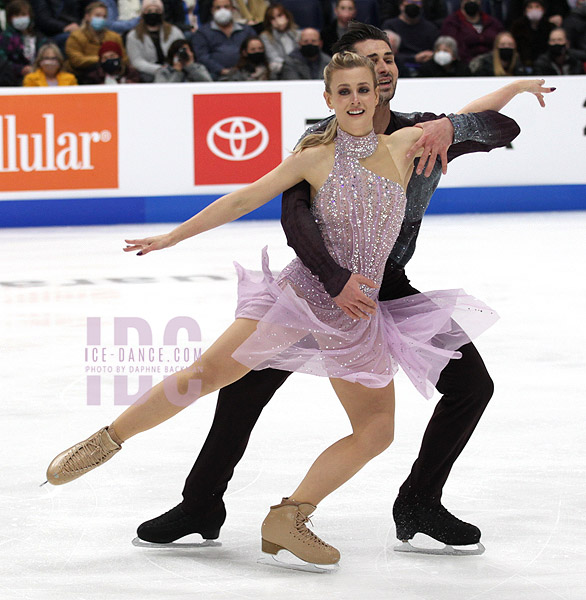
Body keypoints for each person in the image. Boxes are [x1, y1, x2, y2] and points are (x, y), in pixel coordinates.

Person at [123, 23, 548, 559]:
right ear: (344, 78)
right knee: (242, 387)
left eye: (387, 58)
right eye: (369, 61)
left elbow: (499, 125)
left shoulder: (422, 131)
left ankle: (419, 502)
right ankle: (201, 503)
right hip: (319, 285)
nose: (382, 67)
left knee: (472, 385)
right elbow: (294, 219)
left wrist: (461, 117)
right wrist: (333, 280)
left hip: (390, 287)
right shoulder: (320, 143)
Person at [191, 0, 256, 80]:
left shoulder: (246, 30)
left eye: (226, 7)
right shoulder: (202, 33)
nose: (222, 11)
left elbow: (255, 51)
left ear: (233, 9)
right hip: (215, 76)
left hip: (246, 74)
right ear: (212, 10)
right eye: (218, 8)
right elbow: (202, 56)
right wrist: (221, 70)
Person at [65, 1, 127, 84]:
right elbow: (76, 60)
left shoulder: (114, 37)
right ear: (87, 17)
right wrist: (103, 59)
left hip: (111, 75)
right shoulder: (75, 36)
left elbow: (124, 59)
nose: (101, 19)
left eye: (104, 16)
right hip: (82, 77)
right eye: (97, 15)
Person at [126, 0, 185, 82]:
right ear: (143, 13)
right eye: (149, 11)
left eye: (157, 11)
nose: (153, 13)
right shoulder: (133, 35)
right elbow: (136, 61)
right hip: (148, 73)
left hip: (173, 69)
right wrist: (158, 69)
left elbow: (181, 50)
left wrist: (174, 66)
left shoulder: (174, 31)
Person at [382, 0, 440, 74]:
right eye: (410, 2)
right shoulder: (390, 25)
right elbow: (387, 54)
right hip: (398, 67)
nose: (413, 5)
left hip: (426, 68)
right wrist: (414, 58)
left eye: (417, 3)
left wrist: (430, 55)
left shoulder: (431, 28)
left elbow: (436, 51)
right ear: (401, 5)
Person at [0, 0, 47, 86]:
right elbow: (2, 61)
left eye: (23, 15)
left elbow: (47, 56)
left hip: (39, 78)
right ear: (10, 18)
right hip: (13, 81)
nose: (20, 18)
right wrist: (21, 69)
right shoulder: (4, 37)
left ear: (30, 16)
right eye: (16, 15)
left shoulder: (39, 37)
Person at [511, 0, 554, 70]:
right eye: (530, 7)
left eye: (537, 7)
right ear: (525, 11)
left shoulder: (549, 27)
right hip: (522, 64)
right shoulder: (517, 27)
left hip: (545, 64)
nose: (534, 10)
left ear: (543, 10)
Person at [259, 3, 300, 77]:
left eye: (279, 16)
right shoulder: (265, 36)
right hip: (279, 72)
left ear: (286, 17)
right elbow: (273, 58)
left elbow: (300, 54)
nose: (277, 21)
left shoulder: (296, 33)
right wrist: (275, 31)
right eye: (273, 19)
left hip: (299, 69)